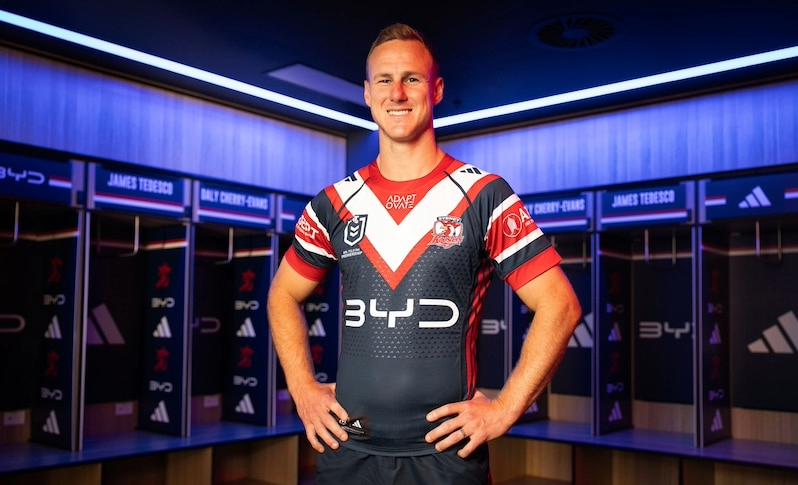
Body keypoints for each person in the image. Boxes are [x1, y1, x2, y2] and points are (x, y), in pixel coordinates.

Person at [267, 22, 581, 485]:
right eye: (384, 80)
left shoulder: (482, 195)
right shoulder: (334, 202)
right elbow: (282, 295)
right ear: (368, 94)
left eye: (411, 78)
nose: (397, 93)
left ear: (435, 90)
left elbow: (560, 305)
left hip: (445, 455)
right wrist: (302, 389)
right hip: (349, 443)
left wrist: (505, 409)